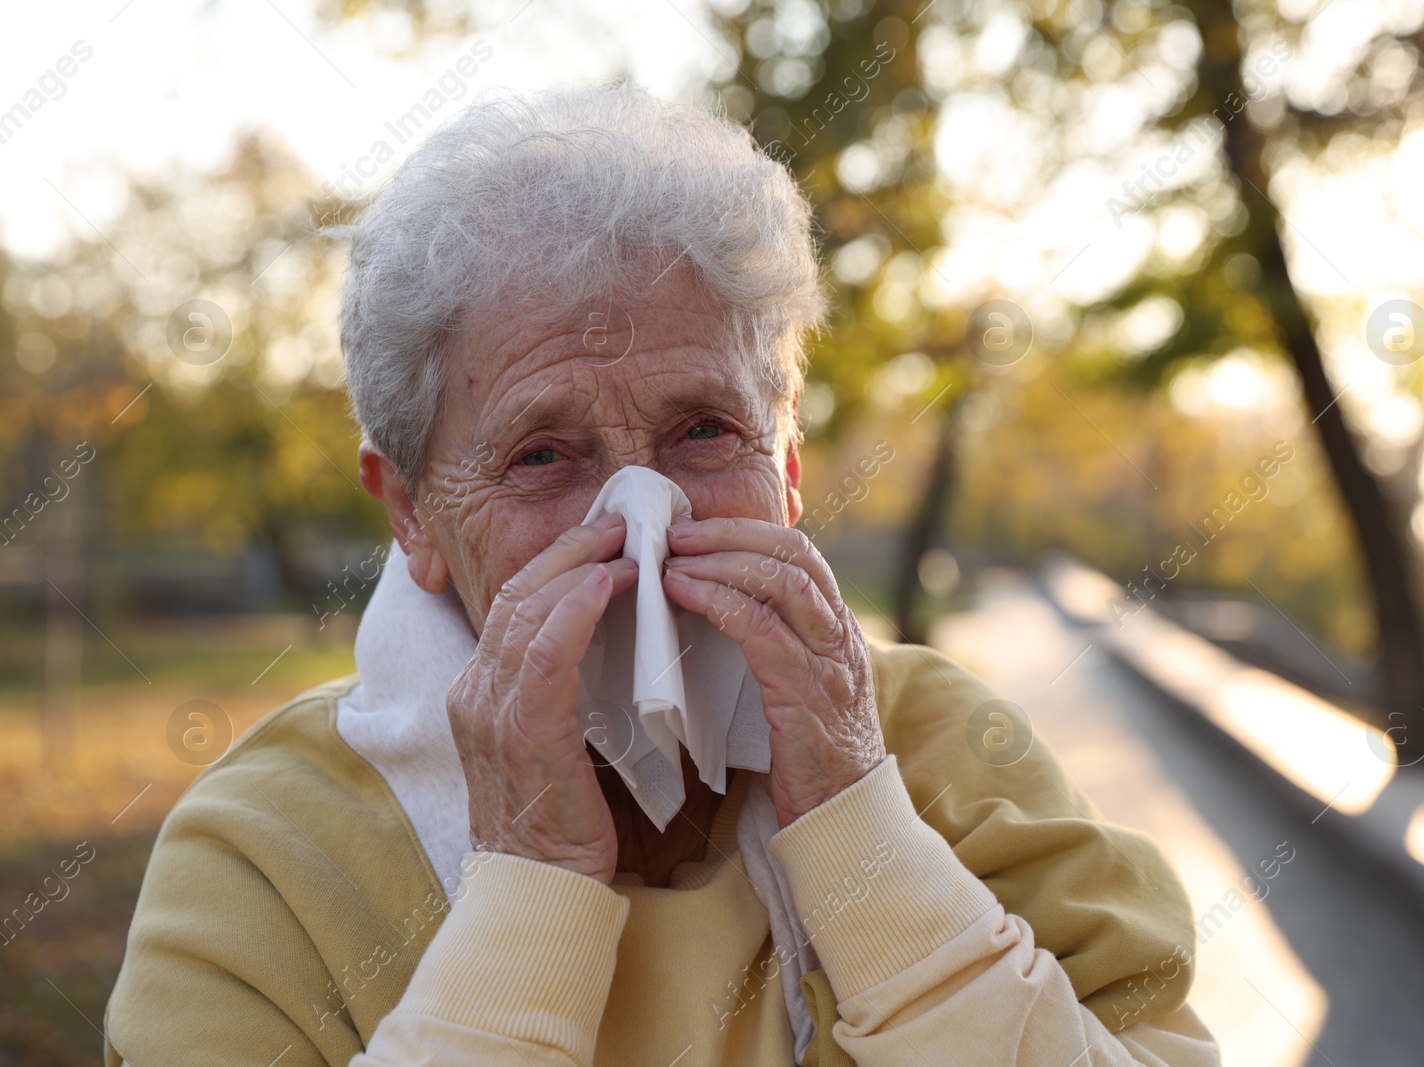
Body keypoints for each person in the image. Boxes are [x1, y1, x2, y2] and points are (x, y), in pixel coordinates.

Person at [105, 83, 1220, 1066]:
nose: (643, 517)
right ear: (410, 509)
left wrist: (862, 833)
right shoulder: (259, 857)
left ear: (786, 468)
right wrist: (529, 886)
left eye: (702, 430)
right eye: (542, 453)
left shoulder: (940, 748)